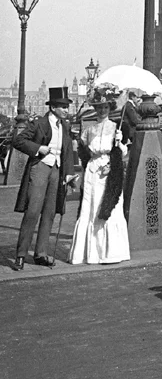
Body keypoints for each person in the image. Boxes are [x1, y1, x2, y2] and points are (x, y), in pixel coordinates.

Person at [11, 86, 75, 270]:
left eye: (66, 106)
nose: (66, 110)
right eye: (62, 106)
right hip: (40, 167)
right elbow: (18, 140)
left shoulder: (65, 125)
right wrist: (38, 148)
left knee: (49, 212)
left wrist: (69, 173)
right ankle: (21, 255)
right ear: (53, 107)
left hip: (56, 170)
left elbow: (68, 150)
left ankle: (41, 254)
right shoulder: (39, 123)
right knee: (32, 211)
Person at [69, 86, 131, 265]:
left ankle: (110, 253)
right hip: (92, 170)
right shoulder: (89, 130)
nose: (102, 111)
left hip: (109, 171)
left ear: (110, 109)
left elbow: (123, 154)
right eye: (99, 107)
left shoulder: (117, 128)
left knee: (107, 204)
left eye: (105, 107)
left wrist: (119, 146)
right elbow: (82, 151)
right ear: (95, 109)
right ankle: (89, 253)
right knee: (91, 206)